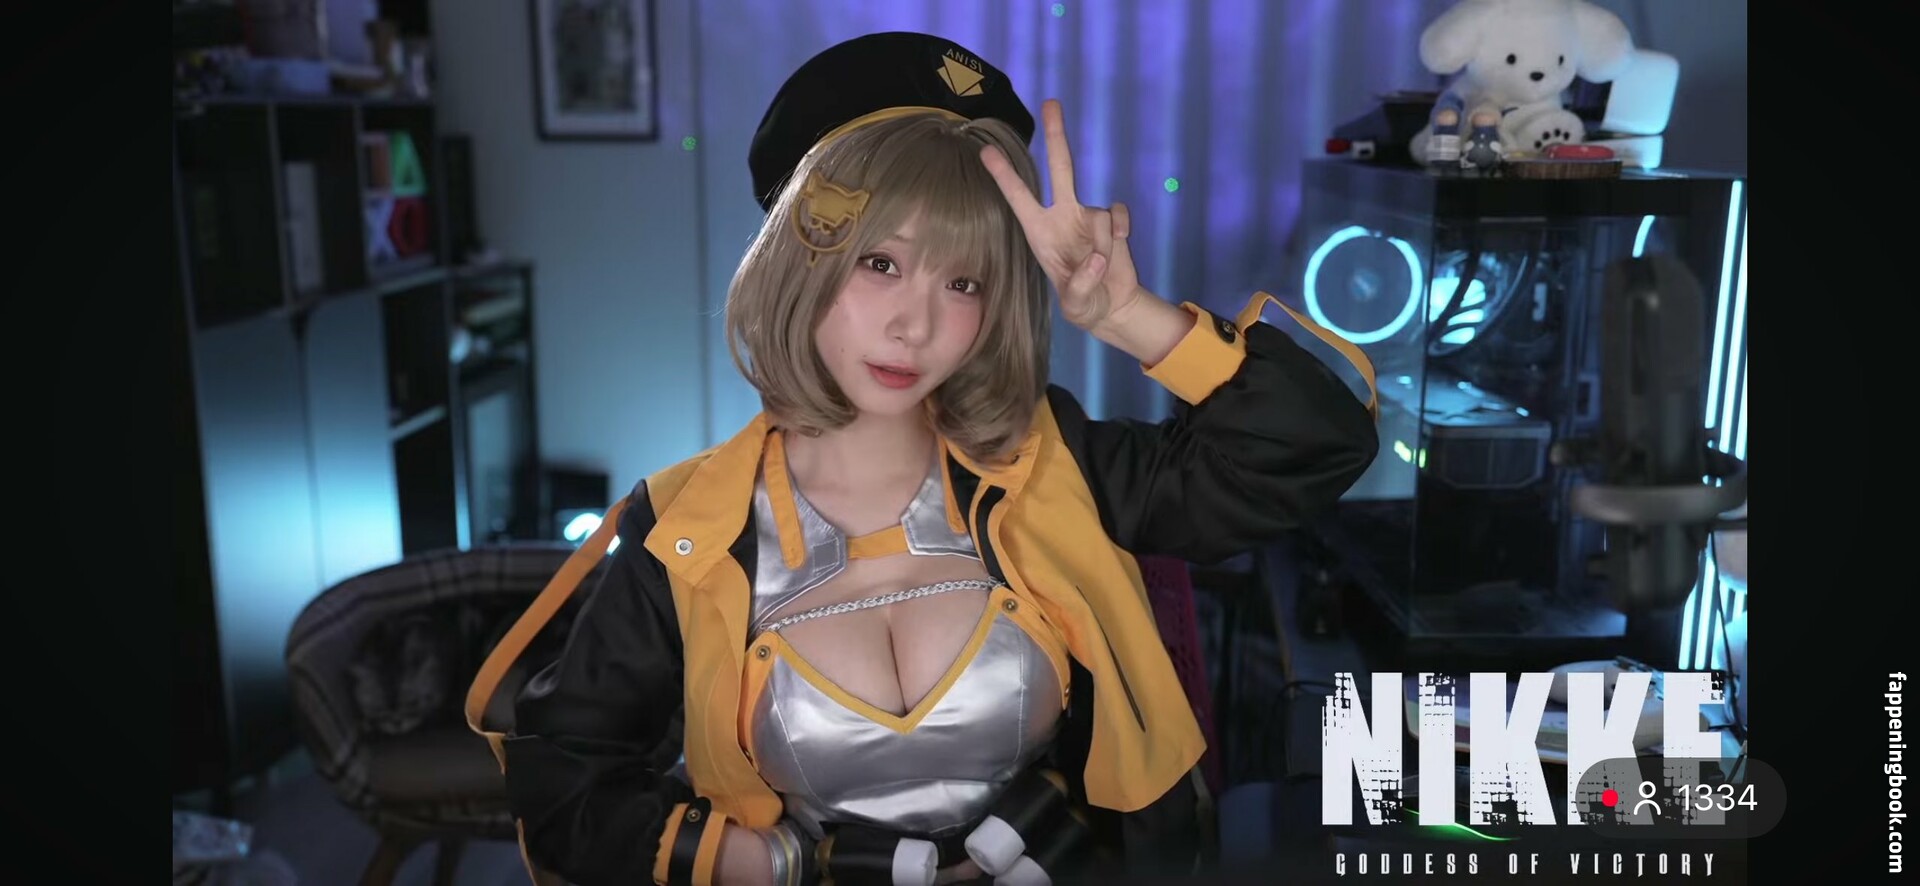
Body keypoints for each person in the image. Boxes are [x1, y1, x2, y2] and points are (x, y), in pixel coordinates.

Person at [467, 31, 1380, 886]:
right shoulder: (687, 530)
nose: (917, 323)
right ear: (799, 258)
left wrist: (1127, 317)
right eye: (880, 263)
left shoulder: (1052, 463)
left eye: (964, 281)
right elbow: (564, 784)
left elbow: (1316, 445)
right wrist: (760, 861)